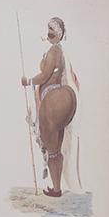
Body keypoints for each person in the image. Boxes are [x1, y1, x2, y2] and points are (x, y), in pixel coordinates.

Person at [21, 17, 77, 197]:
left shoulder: (54, 51)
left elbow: (44, 76)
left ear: (58, 35)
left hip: (50, 96)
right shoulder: (58, 51)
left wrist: (28, 81)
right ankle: (56, 188)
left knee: (52, 148)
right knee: (56, 150)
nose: (48, 33)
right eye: (48, 30)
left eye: (52, 31)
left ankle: (56, 188)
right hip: (60, 93)